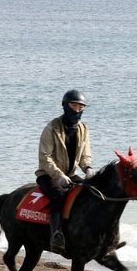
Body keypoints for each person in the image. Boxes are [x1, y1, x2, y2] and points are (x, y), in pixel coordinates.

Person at [36, 89, 93, 250]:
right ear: (65, 106)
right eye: (73, 106)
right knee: (58, 196)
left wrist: (88, 168)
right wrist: (58, 175)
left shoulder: (83, 129)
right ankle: (56, 235)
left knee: (91, 192)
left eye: (81, 107)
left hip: (71, 174)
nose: (77, 110)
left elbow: (85, 155)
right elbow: (45, 157)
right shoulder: (51, 128)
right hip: (48, 175)